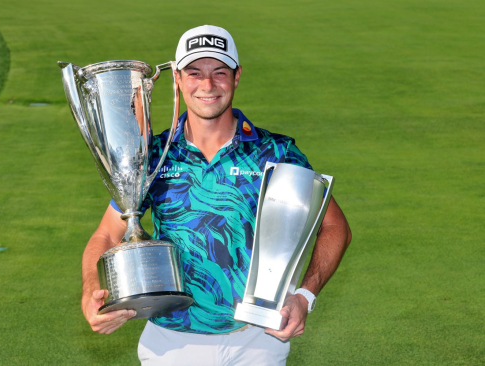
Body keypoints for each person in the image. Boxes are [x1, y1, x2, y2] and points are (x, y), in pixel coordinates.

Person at [81, 25, 351, 365]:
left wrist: (304, 296)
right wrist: (92, 291)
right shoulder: (152, 154)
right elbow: (107, 233)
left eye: (219, 73)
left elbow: (335, 227)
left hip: (257, 340)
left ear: (236, 77)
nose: (207, 86)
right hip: (170, 341)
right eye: (195, 73)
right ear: (177, 79)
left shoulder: (274, 151)